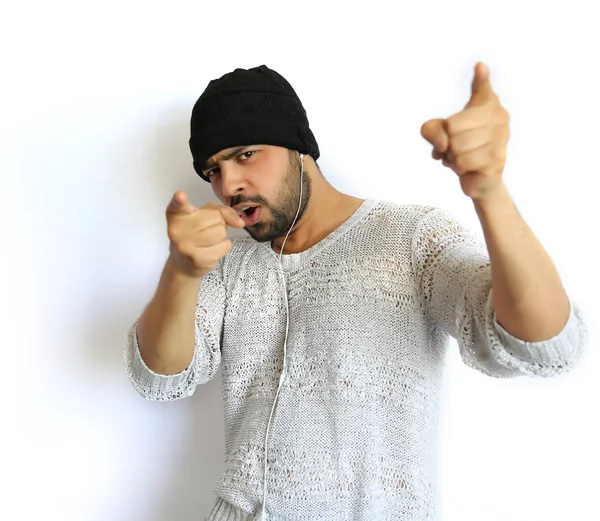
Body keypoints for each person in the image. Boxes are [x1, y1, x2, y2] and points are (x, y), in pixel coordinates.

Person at [123, 64, 587, 521]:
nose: (228, 185)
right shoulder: (227, 265)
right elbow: (160, 377)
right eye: (213, 170)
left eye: (245, 154)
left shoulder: (408, 239)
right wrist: (181, 273)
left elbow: (542, 343)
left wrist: (490, 192)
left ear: (298, 148)